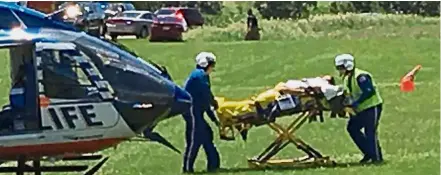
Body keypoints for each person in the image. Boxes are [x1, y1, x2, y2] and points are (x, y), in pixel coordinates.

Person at [334, 53, 384, 164]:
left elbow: (369, 91)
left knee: (370, 131)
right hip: (360, 109)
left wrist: (356, 103)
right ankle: (368, 153)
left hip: (372, 107)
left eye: (340, 68)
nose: (339, 71)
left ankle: (377, 158)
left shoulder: (361, 77)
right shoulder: (347, 79)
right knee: (352, 128)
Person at [182, 52, 220, 173]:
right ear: (206, 64)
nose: (212, 68)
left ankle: (213, 165)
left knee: (207, 134)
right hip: (192, 112)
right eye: (212, 65)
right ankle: (187, 168)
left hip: (197, 111)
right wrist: (214, 102)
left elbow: (205, 100)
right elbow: (206, 95)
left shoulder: (202, 75)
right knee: (194, 139)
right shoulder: (199, 76)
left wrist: (213, 119)